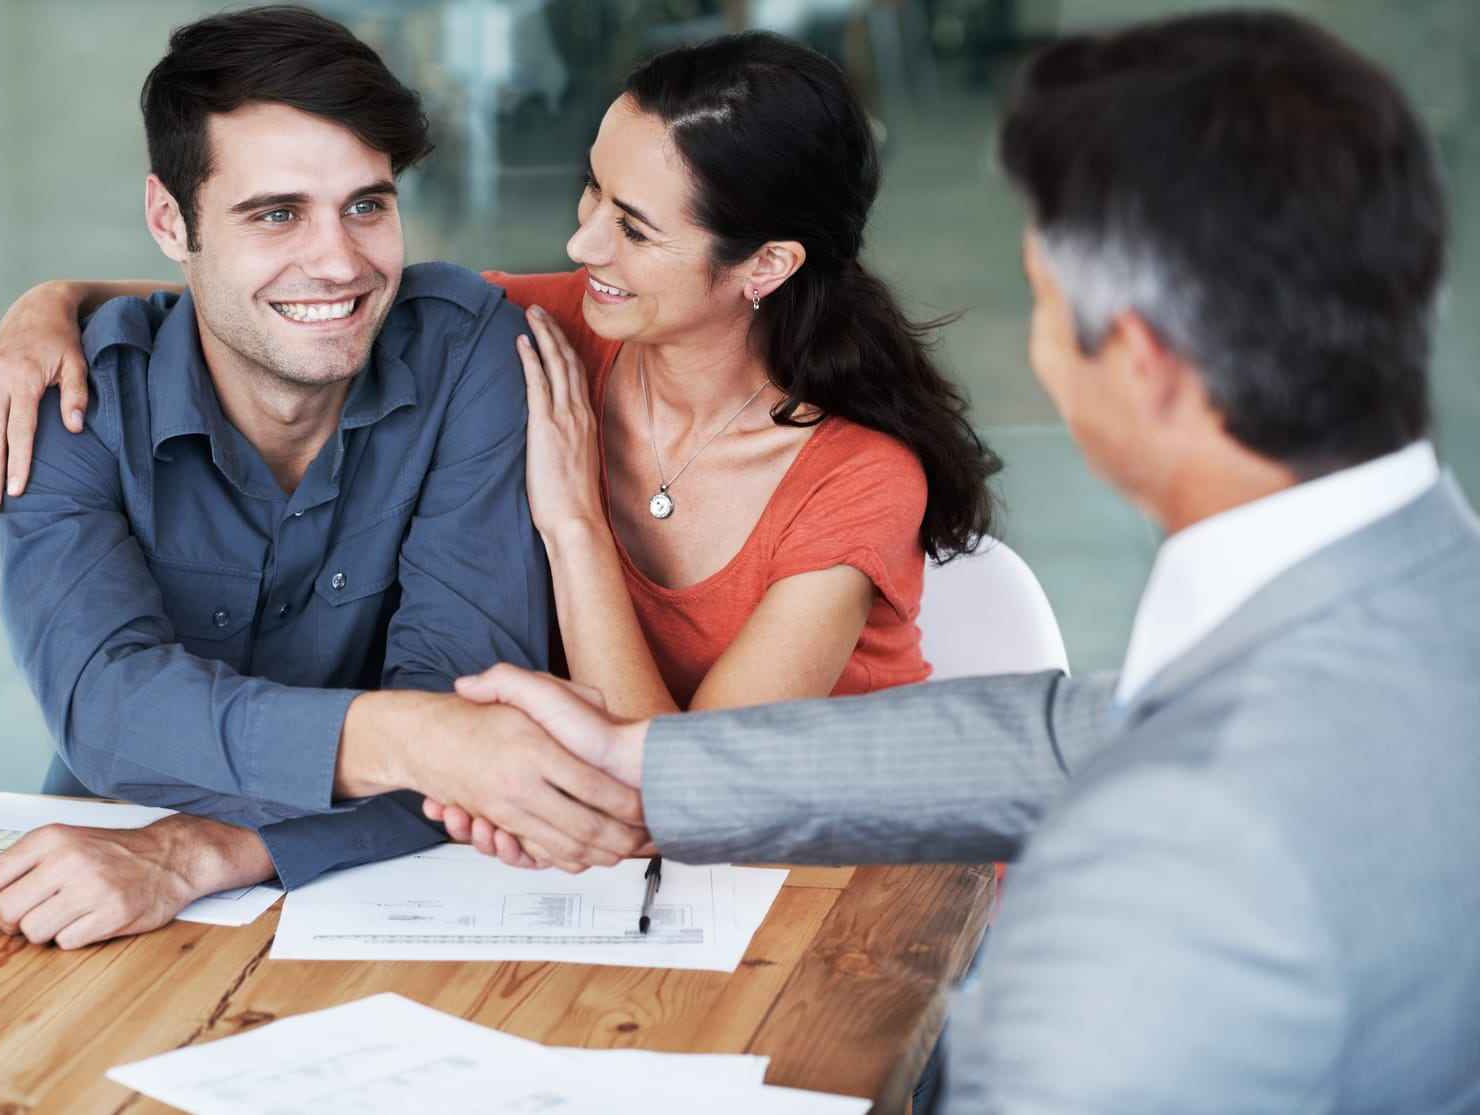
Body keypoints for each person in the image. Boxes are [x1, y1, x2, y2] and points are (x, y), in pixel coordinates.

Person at [427, 11, 1480, 1111]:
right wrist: (659, 768)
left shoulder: (1177, 862)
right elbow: (1072, 729)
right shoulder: (1394, 620)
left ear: (1138, 361)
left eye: (1044, 300)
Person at [0, 33, 998, 862]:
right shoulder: (551, 324)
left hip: (833, 871)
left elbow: (678, 800)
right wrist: (53, 304)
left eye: (633, 228)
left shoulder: (849, 476)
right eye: (591, 193)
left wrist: (573, 524)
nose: (582, 244)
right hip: (586, 851)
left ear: (764, 264)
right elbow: (296, 298)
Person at [0, 5, 646, 951]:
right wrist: (413, 739)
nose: (339, 261)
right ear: (169, 219)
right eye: (277, 213)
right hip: (98, 898)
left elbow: (470, 712)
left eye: (367, 203)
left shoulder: (469, 353)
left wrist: (205, 850)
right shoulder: (63, 395)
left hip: (402, 895)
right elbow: (107, 712)